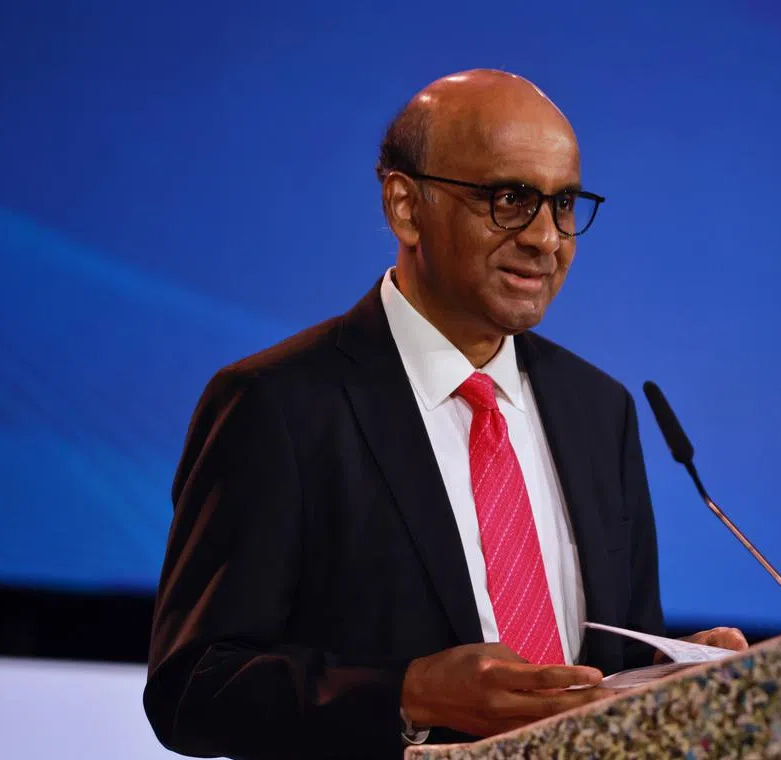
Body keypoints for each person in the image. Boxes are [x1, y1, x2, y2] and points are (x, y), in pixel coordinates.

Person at [143, 69, 748, 759]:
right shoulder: (279, 404)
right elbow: (193, 688)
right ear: (405, 206)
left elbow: (609, 663)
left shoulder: (599, 411)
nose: (546, 238)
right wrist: (408, 694)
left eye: (565, 204)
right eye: (510, 199)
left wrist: (676, 678)